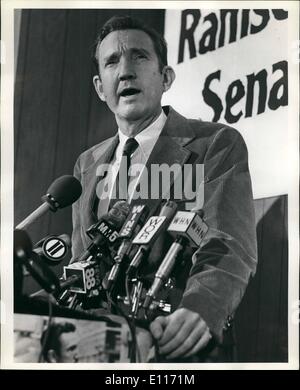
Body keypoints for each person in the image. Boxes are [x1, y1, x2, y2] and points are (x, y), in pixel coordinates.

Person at [71, 15, 257, 362]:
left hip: (179, 345)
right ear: (100, 87)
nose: (125, 71)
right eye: (112, 61)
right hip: (105, 350)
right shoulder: (87, 165)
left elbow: (228, 242)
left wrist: (203, 308)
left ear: (166, 77)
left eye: (139, 57)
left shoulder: (215, 143)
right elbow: (84, 264)